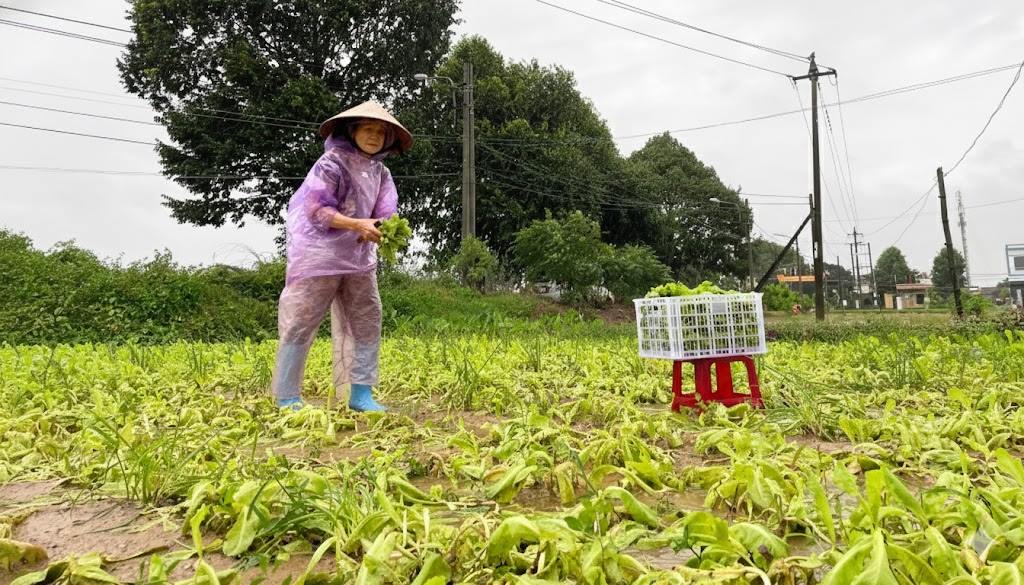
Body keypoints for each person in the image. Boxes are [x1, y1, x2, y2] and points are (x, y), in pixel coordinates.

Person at [270, 101, 413, 411]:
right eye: (368, 129)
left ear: (388, 139)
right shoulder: (330, 164)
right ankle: (287, 396)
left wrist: (381, 228)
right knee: (301, 322)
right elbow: (316, 209)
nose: (374, 136)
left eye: (380, 132)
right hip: (319, 257)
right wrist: (354, 223)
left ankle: (361, 394)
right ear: (353, 131)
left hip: (359, 259)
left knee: (367, 321)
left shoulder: (381, 172)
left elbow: (387, 211)